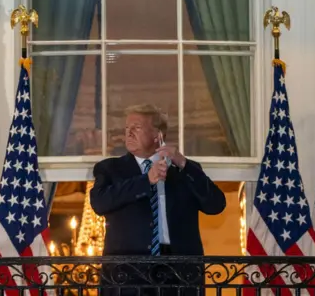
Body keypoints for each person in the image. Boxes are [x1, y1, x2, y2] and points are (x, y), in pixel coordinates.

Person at [90, 103, 226, 256]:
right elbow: (99, 204)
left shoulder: (184, 170)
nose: (129, 133)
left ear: (158, 136)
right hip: (128, 271)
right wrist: (145, 181)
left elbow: (216, 205)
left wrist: (184, 163)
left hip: (179, 271)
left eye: (137, 128)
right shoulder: (110, 168)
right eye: (127, 128)